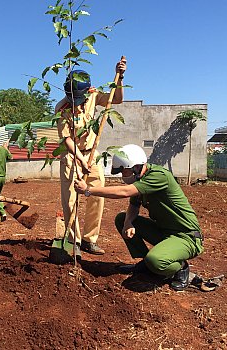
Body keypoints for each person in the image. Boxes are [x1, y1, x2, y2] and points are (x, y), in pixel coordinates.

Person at [74, 144, 204, 291]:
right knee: (122, 219)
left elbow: (124, 192)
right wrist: (128, 222)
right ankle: (147, 265)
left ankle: (180, 267)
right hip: (165, 232)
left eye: (124, 170)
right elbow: (134, 206)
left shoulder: (158, 176)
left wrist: (88, 190)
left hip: (186, 236)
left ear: (135, 166)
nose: (123, 174)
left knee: (156, 260)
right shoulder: (140, 181)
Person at [52, 57, 127, 261]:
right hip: (71, 155)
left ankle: (89, 238)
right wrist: (80, 160)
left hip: (91, 155)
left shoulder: (93, 96)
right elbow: (67, 139)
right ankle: (74, 241)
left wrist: (119, 77)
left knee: (97, 193)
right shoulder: (62, 109)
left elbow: (116, 99)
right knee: (70, 200)